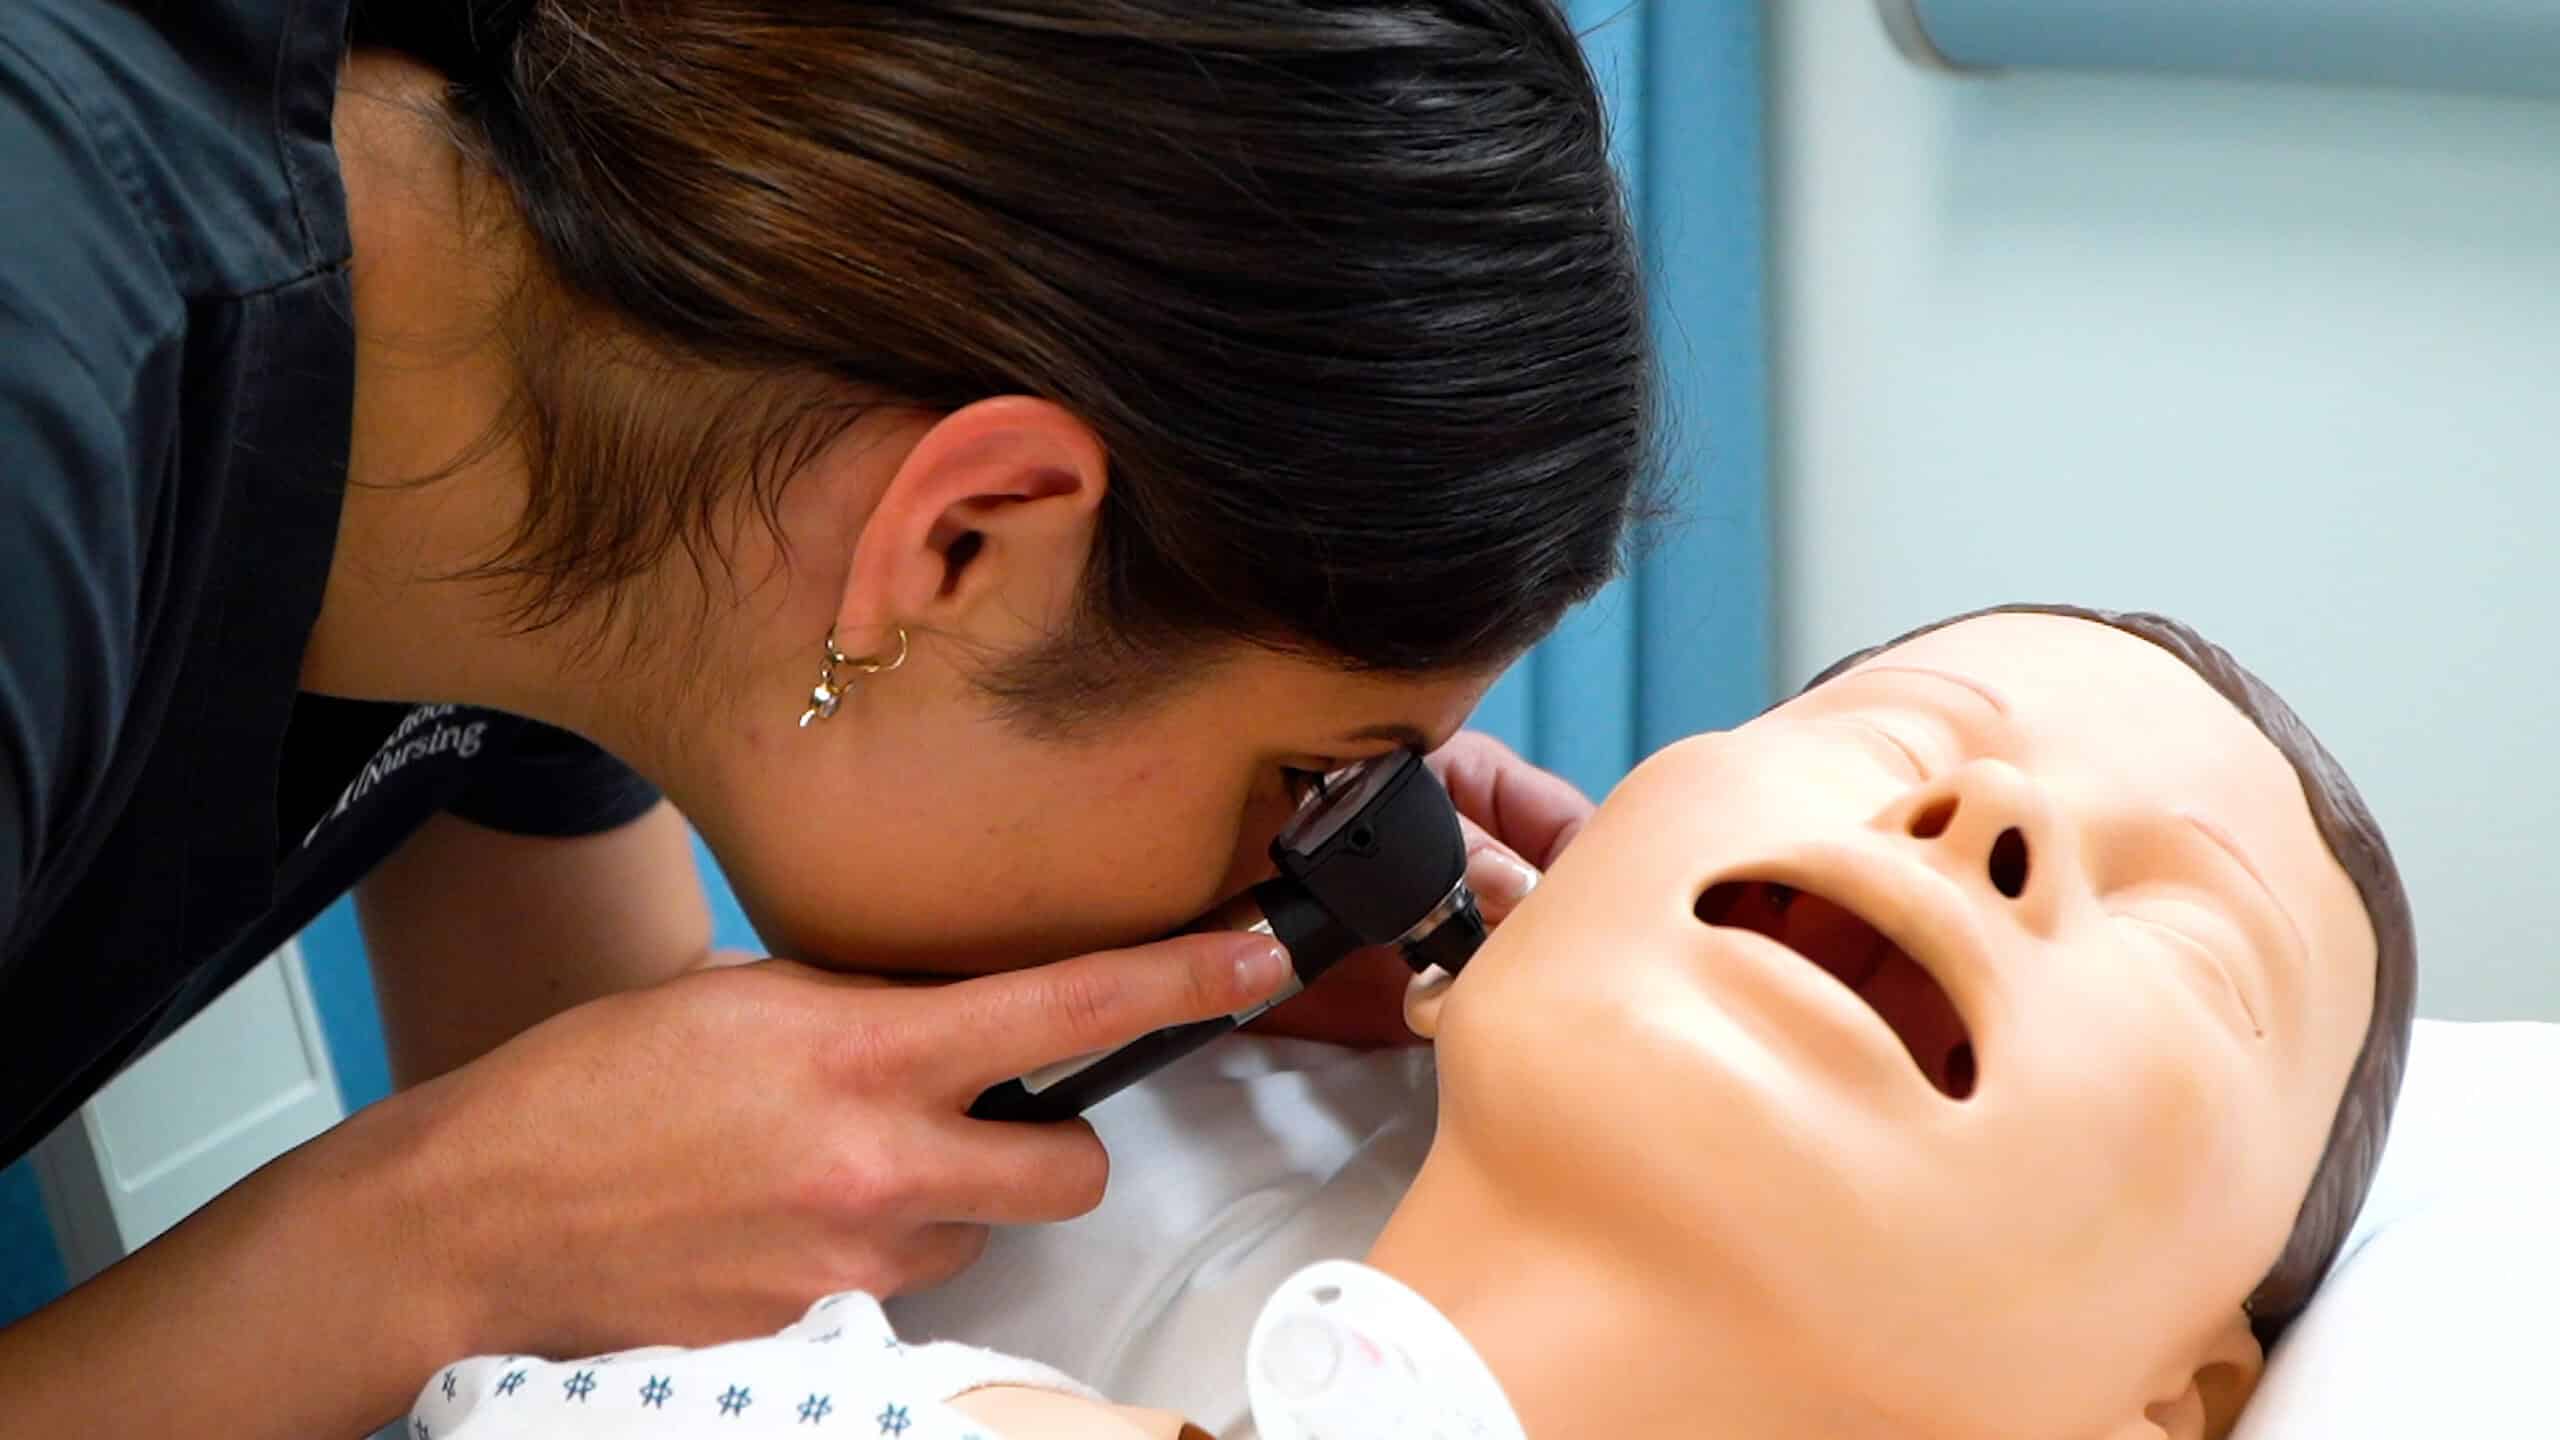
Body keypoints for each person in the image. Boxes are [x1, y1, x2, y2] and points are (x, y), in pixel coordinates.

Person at [0, 1, 1652, 1434]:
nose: (1316, 873)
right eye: (1305, 782)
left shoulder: (603, 442)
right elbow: (515, 1199)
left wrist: (1172, 1022)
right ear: (963, 539)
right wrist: (424, 1239)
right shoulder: (46, 394)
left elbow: (610, 1128)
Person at [408, 604, 2413, 1439]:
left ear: (2182, 1402)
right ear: (1487, 941)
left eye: (2193, 949)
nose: (1982, 824)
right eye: (1888, 742)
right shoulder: (753, 1377)